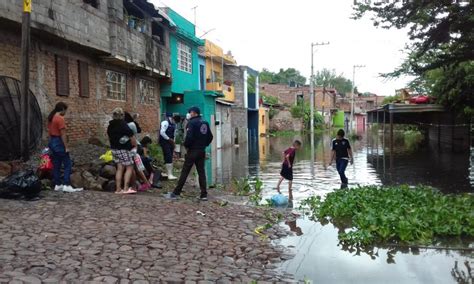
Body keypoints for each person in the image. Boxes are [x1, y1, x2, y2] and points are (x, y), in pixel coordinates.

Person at [168, 106, 213, 201]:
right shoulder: (205, 122)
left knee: (185, 171)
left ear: (194, 113)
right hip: (202, 150)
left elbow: (189, 137)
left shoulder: (191, 123)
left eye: (190, 112)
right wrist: (204, 145)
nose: (189, 114)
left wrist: (186, 145)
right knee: (201, 172)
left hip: (192, 150)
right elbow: (210, 136)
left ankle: (176, 192)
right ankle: (204, 194)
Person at [47, 102, 83, 193]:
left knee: (57, 164)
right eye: (65, 110)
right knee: (67, 164)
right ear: (62, 109)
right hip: (59, 142)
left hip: (52, 141)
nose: (66, 112)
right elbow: (63, 134)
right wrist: (66, 147)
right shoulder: (60, 119)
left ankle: (58, 184)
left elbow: (49, 131)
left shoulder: (51, 118)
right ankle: (66, 184)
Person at [107, 108, 137, 194]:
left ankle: (118, 189)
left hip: (114, 149)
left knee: (119, 168)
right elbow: (132, 136)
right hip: (124, 149)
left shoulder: (110, 126)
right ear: (122, 115)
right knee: (129, 167)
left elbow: (109, 138)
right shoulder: (123, 124)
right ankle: (126, 188)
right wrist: (134, 147)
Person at [124, 112, 151, 191]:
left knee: (132, 167)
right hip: (135, 146)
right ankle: (146, 184)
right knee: (136, 167)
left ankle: (134, 186)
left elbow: (132, 136)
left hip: (134, 147)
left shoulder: (130, 125)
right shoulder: (131, 124)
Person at [159, 113, 177, 180]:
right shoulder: (165, 122)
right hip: (164, 142)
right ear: (172, 118)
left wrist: (173, 143)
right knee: (168, 156)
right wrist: (168, 139)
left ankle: (169, 173)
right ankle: (169, 174)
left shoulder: (174, 124)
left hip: (170, 142)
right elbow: (162, 132)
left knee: (170, 156)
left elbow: (174, 135)